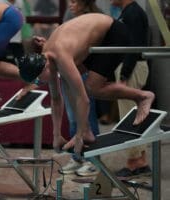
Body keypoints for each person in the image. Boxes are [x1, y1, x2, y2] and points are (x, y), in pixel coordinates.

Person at [17, 13, 155, 156]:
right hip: (96, 37)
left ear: (44, 67)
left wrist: (78, 137)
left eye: (38, 80)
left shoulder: (60, 56)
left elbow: (84, 100)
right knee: (67, 85)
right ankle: (87, 131)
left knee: (91, 88)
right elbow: (56, 99)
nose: (40, 83)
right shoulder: (46, 59)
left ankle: (142, 97)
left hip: (113, 32)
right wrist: (56, 135)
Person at [58, 0, 101, 176]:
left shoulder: (94, 20)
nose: (70, 4)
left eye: (75, 1)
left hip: (83, 71)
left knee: (87, 118)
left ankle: (93, 161)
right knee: (73, 119)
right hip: (68, 72)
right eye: (70, 1)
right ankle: (77, 157)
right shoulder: (69, 17)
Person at [110, 0, 152, 177]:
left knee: (130, 115)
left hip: (132, 68)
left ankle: (135, 162)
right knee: (135, 114)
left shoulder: (133, 14)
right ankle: (140, 159)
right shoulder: (129, 12)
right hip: (132, 66)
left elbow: (132, 48)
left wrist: (124, 76)